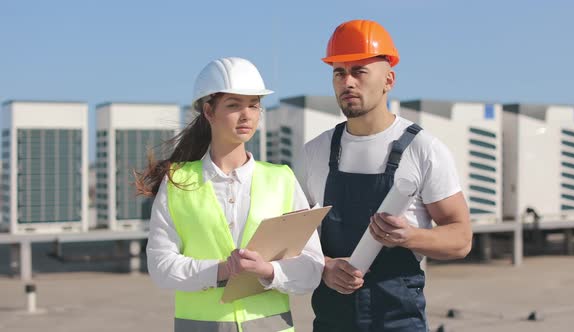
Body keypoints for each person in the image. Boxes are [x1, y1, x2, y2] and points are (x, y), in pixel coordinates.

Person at [301, 20, 472, 331]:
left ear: (388, 80)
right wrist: (324, 267)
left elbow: (461, 238)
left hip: (398, 320)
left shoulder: (423, 149)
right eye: (339, 73)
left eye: (359, 71)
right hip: (331, 319)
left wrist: (410, 236)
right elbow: (296, 237)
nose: (347, 82)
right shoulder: (315, 152)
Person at [136, 57, 324, 332]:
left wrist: (268, 271)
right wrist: (222, 271)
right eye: (234, 105)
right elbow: (161, 265)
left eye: (254, 105)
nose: (246, 115)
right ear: (209, 112)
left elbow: (311, 268)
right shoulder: (177, 181)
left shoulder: (281, 179)